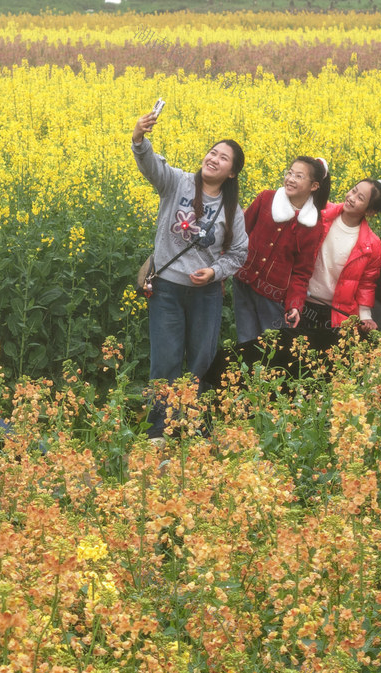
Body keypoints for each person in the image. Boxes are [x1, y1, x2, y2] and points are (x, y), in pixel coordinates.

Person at [132, 109, 248, 438]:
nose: (214, 159)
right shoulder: (177, 182)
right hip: (166, 289)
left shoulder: (232, 209)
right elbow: (150, 165)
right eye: (213, 152)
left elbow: (240, 253)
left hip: (206, 295)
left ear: (231, 173)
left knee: (200, 362)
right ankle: (158, 433)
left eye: (223, 158)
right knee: (165, 362)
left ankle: (192, 429)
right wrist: (140, 137)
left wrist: (214, 272)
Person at [233, 156, 330, 342]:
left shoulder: (313, 226)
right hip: (243, 282)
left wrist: (295, 304)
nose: (291, 179)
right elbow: (240, 233)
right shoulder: (266, 198)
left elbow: (302, 272)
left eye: (299, 176)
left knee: (270, 345)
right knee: (245, 340)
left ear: (314, 186)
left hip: (272, 296)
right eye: (290, 173)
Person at [289, 179, 381, 331]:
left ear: (370, 211)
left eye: (361, 198)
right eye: (354, 190)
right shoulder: (322, 213)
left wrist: (365, 315)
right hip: (300, 301)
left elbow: (367, 283)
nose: (352, 198)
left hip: (335, 312)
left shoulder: (372, 244)